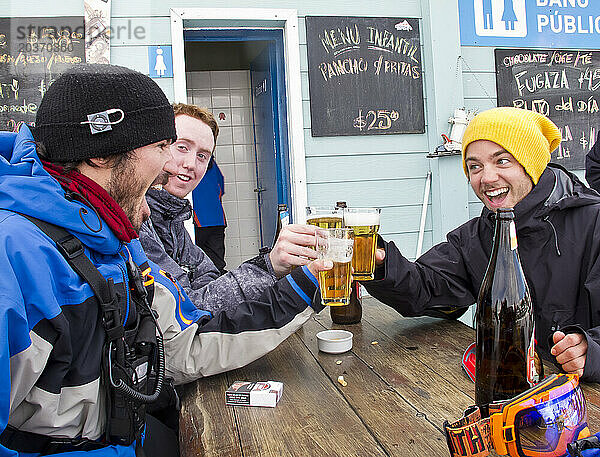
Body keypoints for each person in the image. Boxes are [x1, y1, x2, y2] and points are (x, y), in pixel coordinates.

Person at [0, 64, 328, 457]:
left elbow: (178, 344)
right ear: (104, 153)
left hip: (129, 435)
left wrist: (303, 289)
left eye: (199, 154)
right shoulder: (16, 253)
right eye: (162, 147)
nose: (173, 165)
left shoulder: (115, 238)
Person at [363, 107, 600, 382]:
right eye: (475, 166)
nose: (486, 178)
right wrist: (380, 262)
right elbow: (426, 287)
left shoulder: (593, 223)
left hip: (583, 405)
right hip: (509, 393)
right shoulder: (481, 234)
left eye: (501, 161)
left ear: (531, 163)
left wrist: (591, 349)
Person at [140, 103, 318, 315]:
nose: (190, 163)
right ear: (158, 146)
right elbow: (186, 309)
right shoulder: (137, 222)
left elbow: (209, 276)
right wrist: (269, 265)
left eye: (202, 156)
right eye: (182, 147)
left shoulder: (172, 219)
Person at [193, 158, 227, 273]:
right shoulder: (212, 164)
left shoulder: (186, 167)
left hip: (198, 220)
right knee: (218, 261)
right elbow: (221, 187)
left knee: (196, 261)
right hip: (217, 218)